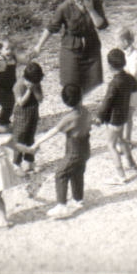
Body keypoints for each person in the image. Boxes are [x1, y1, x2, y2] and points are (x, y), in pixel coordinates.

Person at [30, 0, 108, 95]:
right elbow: (51, 27)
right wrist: (38, 46)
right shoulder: (64, 7)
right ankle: (76, 105)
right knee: (70, 82)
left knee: (93, 81)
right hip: (70, 47)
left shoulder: (95, 2)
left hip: (91, 46)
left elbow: (100, 25)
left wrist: (91, 9)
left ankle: (81, 102)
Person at [43, 83, 93, 220]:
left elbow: (53, 132)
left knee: (61, 173)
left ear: (65, 101)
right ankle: (78, 199)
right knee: (77, 173)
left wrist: (36, 144)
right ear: (81, 96)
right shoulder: (85, 111)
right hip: (85, 148)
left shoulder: (69, 118)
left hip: (73, 151)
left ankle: (61, 205)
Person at [96, 48, 137, 182]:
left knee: (111, 145)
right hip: (124, 115)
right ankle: (131, 164)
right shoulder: (128, 78)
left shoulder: (114, 84)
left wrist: (99, 117)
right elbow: (136, 87)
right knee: (121, 140)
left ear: (109, 66)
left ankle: (120, 176)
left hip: (114, 119)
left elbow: (107, 102)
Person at [11, 61, 45, 175]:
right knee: (20, 139)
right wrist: (29, 91)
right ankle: (16, 164)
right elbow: (20, 102)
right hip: (21, 116)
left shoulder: (36, 84)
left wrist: (35, 89)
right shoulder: (19, 85)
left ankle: (30, 161)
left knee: (30, 138)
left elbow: (40, 99)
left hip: (33, 114)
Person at [118, 27, 137, 150]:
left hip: (131, 88)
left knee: (128, 115)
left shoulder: (135, 55)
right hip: (123, 87)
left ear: (126, 42)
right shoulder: (122, 53)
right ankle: (123, 140)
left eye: (119, 41)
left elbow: (133, 73)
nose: (117, 43)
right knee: (123, 115)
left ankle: (127, 140)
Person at [0, 39, 18, 126]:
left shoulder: (14, 59)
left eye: (11, 49)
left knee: (11, 104)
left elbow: (24, 60)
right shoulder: (0, 59)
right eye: (7, 49)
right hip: (1, 88)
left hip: (10, 87)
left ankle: (4, 120)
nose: (10, 51)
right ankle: (2, 121)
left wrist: (31, 56)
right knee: (7, 105)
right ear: (0, 51)